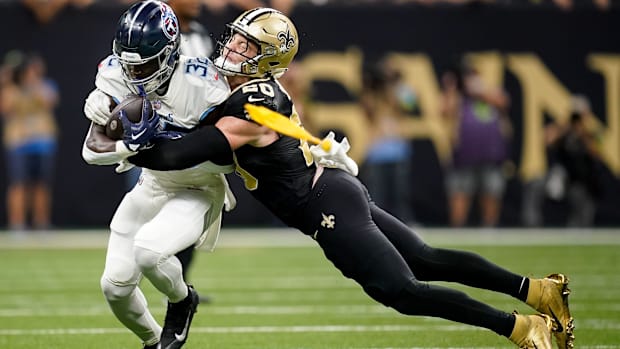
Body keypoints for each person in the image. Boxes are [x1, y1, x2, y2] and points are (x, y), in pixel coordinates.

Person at [126, 8, 574, 349]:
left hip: (323, 202)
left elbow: (188, 152)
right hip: (331, 192)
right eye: (236, 40)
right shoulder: (236, 89)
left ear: (268, 59)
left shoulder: (258, 98)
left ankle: (522, 328)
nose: (232, 49)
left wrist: (131, 146)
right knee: (426, 258)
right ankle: (538, 291)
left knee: (402, 290)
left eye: (246, 46)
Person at [80, 1, 233, 348]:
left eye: (144, 65)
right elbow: (90, 150)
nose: (133, 75)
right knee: (114, 286)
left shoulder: (202, 83)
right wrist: (131, 145)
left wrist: (170, 140)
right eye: (128, 65)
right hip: (152, 183)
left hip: (198, 184)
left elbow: (228, 154)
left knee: (150, 252)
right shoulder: (117, 73)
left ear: (168, 53)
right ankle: (153, 342)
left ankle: (182, 301)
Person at [440, 58, 513, 227]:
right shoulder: (456, 95)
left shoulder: (488, 91)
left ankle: (490, 229)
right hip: (464, 155)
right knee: (460, 192)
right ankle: (457, 229)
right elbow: (443, 111)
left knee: (491, 192)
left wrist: (480, 91)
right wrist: (452, 88)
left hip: (491, 153)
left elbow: (504, 102)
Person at [1, 52, 59, 232]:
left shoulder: (44, 85)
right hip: (18, 142)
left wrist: (32, 83)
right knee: (18, 184)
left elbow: (50, 101)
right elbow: (6, 108)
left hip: (42, 141)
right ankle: (17, 224)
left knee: (41, 184)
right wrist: (9, 81)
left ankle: (41, 222)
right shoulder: (9, 89)